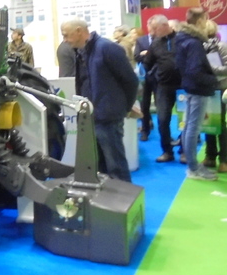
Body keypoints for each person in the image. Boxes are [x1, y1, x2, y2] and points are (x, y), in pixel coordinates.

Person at [61, 17, 138, 182]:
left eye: (67, 35)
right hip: (91, 118)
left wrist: (123, 108)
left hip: (108, 117)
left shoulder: (107, 48)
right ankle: (107, 203)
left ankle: (124, 203)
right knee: (101, 167)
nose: (65, 40)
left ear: (79, 32)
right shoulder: (82, 52)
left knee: (116, 165)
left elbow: (131, 80)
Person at [174, 7, 219, 181]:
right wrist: (213, 80)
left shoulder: (182, 39)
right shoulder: (193, 42)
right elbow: (195, 71)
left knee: (189, 127)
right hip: (198, 88)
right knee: (193, 128)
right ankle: (193, 167)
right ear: (200, 21)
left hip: (191, 87)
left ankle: (192, 165)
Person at [142, 15, 181, 163]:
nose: (152, 32)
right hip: (163, 87)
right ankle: (167, 152)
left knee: (186, 120)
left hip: (184, 86)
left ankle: (184, 151)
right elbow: (147, 63)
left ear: (164, 26)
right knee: (163, 120)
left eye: (154, 29)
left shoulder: (182, 39)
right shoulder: (155, 43)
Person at [203, 20, 227, 173]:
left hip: (219, 88)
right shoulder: (199, 48)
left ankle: (221, 159)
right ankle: (214, 157)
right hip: (209, 89)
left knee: (216, 124)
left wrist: (209, 68)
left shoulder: (222, 46)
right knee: (211, 124)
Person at [134, 16, 160, 141]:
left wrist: (147, 54)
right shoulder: (141, 40)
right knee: (144, 105)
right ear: (148, 27)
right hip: (144, 77)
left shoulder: (162, 39)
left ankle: (163, 133)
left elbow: (162, 57)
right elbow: (136, 56)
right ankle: (145, 130)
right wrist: (144, 55)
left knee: (161, 106)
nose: (153, 29)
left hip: (159, 76)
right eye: (151, 26)